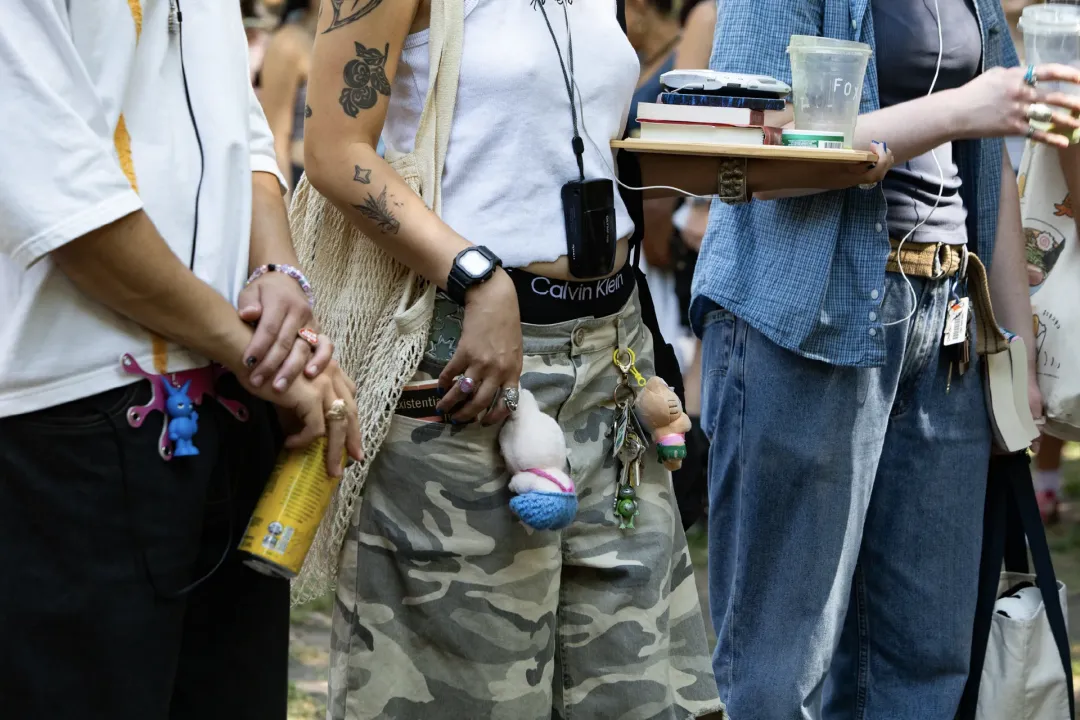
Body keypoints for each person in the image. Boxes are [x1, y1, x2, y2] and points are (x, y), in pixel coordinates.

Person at [302, 0, 891, 718]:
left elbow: (589, 146)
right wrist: (475, 276)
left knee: (640, 695)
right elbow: (333, 150)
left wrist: (769, 157)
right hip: (469, 361)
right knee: (459, 693)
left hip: (613, 362)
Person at [697, 0, 1080, 717]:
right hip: (807, 320)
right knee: (782, 667)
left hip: (948, 324)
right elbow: (748, 152)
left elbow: (991, 166)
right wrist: (958, 109)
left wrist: (1016, 352)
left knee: (926, 665)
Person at [0, 2, 361, 718]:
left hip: (232, 404)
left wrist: (281, 281)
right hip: (73, 419)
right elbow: (59, 197)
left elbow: (242, 133)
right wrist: (260, 354)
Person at [260, 0, 318, 189]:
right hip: (305, 183)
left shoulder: (369, 39)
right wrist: (284, 203)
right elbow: (276, 141)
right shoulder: (289, 43)